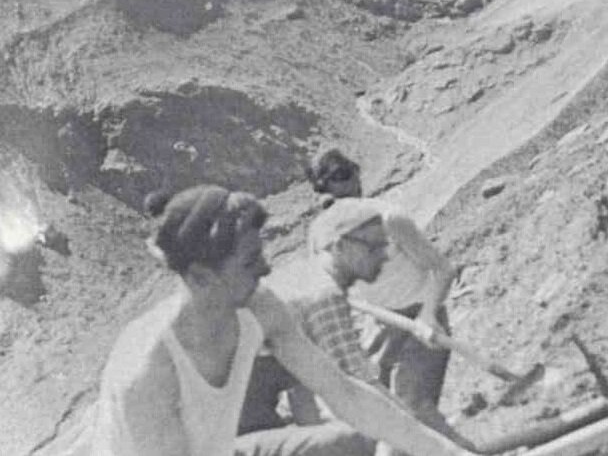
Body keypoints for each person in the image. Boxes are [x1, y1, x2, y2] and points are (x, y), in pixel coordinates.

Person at [45, 184, 475, 456]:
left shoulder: (260, 306)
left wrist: (441, 451)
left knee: (346, 444)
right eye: (251, 261)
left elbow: (345, 393)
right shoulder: (147, 369)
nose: (267, 270)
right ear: (200, 276)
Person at [309, 150, 457, 419]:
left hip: (420, 323)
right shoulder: (322, 234)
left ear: (356, 176)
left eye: (344, 175)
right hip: (379, 328)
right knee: (377, 417)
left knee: (416, 412)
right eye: (329, 182)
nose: (340, 187)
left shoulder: (389, 219)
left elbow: (444, 269)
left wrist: (428, 314)